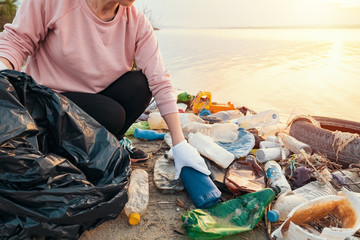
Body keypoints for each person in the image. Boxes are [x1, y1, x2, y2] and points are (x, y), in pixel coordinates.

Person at [0, 0, 210, 179]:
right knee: (111, 114)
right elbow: (16, 42)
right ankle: (65, 149)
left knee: (140, 83)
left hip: (95, 101)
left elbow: (159, 79)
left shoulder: (136, 22)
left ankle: (108, 147)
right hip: (48, 104)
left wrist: (179, 142)